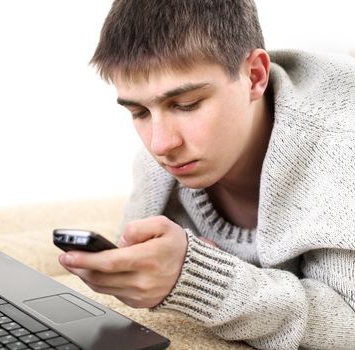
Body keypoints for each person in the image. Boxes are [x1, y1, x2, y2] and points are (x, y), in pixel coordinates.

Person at [57, 1, 355, 349]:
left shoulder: (342, 146)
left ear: (254, 76)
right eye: (139, 112)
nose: (161, 143)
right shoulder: (158, 161)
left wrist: (199, 278)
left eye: (185, 105)